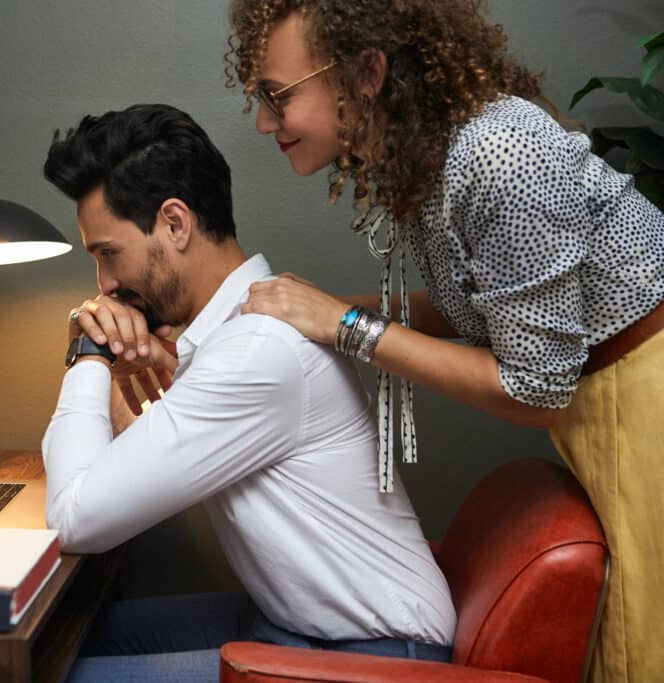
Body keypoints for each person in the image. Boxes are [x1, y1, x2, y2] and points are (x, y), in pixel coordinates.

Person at [219, 2, 664, 682]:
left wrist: (345, 325)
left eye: (279, 97)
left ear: (368, 73)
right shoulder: (431, 155)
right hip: (609, 400)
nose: (264, 121)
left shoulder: (497, 150)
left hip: (647, 394)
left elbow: (537, 386)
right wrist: (335, 311)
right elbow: (497, 306)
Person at [41, 103, 455, 682]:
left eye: (109, 254)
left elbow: (74, 519)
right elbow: (128, 465)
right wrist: (112, 368)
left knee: (45, 670)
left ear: (176, 224)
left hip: (373, 658)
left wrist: (87, 350)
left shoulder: (256, 352)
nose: (105, 285)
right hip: (304, 627)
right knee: (62, 640)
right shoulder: (237, 334)